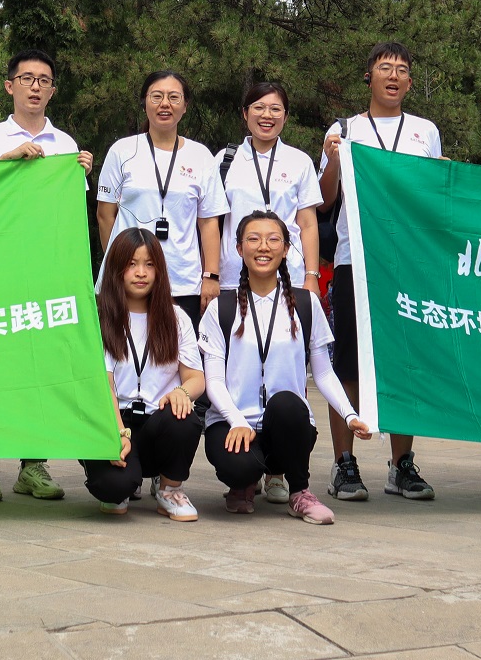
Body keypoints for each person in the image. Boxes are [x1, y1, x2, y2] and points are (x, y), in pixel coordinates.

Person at [0, 49, 96, 503]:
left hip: (45, 270)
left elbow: (70, 214)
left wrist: (79, 173)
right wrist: (8, 160)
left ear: (53, 90)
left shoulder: (66, 144)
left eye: (44, 80)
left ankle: (33, 464)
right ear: (9, 86)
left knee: (40, 366)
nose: (35, 87)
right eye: (26, 78)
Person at [317, 42, 444, 503]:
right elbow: (324, 200)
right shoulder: (345, 129)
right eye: (384, 67)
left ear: (409, 82)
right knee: (347, 364)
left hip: (408, 262)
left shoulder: (425, 131)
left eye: (402, 69)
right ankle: (344, 464)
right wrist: (333, 159)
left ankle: (401, 465)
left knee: (405, 364)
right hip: (356, 261)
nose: (393, 75)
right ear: (368, 76)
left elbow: (433, 195)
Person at [200, 212, 373, 524]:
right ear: (239, 248)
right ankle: (243, 484)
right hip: (233, 425)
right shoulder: (221, 307)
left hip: (287, 428)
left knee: (288, 404)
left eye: (273, 239)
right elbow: (213, 381)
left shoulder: (305, 304)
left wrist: (350, 415)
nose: (263, 247)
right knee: (239, 466)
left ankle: (300, 492)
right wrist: (237, 421)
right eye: (253, 239)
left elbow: (323, 373)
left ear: (286, 249)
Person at [216, 80, 322, 505]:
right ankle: (243, 463)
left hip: (288, 279)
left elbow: (308, 222)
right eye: (258, 107)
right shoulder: (225, 160)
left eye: (276, 108)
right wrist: (211, 275)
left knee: (285, 368)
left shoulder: (299, 161)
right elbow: (212, 219)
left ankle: (279, 469)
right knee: (238, 367)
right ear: (245, 114)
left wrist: (310, 275)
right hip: (235, 278)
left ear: (286, 116)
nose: (267, 115)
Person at [87, 228, 207, 520]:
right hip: (113, 420)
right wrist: (119, 433)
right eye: (131, 264)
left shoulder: (176, 318)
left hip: (157, 421)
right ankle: (125, 483)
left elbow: (196, 378)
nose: (141, 273)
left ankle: (169, 489)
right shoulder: (99, 317)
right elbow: (104, 386)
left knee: (183, 416)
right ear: (116, 268)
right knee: (114, 489)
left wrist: (181, 393)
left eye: (149, 264)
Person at [96, 70, 225, 329]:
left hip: (182, 281)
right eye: (156, 96)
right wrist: (120, 263)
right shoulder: (122, 150)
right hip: (126, 278)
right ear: (144, 102)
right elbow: (105, 214)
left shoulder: (201, 156)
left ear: (185, 106)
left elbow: (209, 222)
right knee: (122, 349)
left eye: (174, 97)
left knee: (179, 350)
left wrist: (210, 275)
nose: (165, 104)